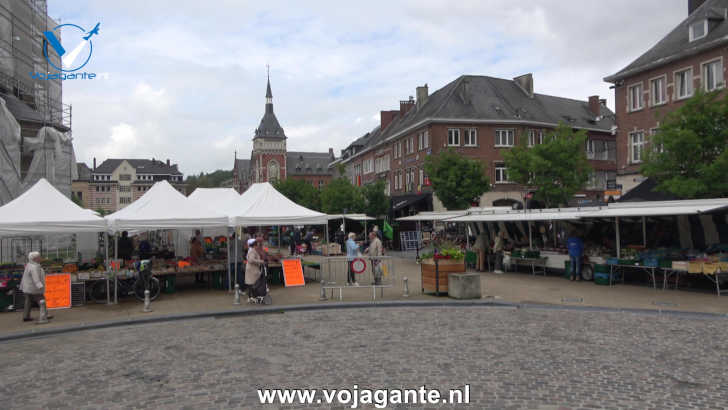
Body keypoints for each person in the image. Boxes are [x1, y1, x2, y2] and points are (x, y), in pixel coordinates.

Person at [20, 252, 50, 322]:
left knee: (28, 302)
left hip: (27, 287)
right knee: (41, 299)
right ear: (35, 258)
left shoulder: (30, 265)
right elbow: (35, 278)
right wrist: (40, 286)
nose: (40, 258)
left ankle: (26, 316)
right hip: (33, 288)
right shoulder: (34, 267)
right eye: (39, 257)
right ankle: (45, 314)